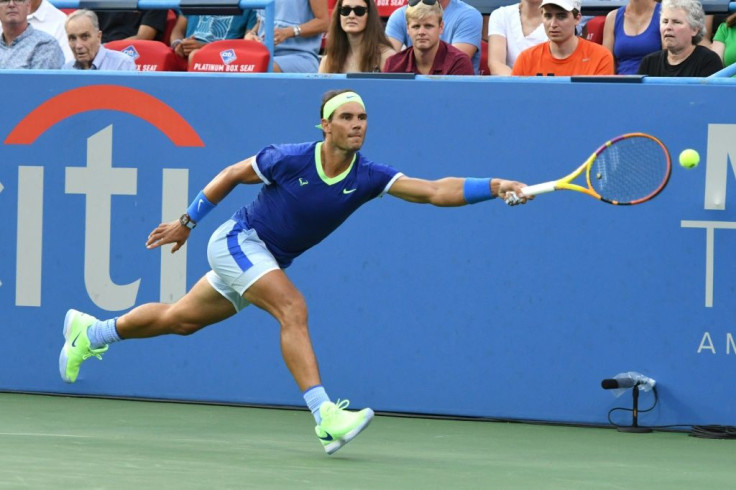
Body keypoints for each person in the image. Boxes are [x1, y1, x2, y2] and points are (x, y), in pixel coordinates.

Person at [58, 88, 531, 455]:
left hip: (266, 259)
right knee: (293, 308)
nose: (356, 125)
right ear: (325, 125)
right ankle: (325, 415)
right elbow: (229, 174)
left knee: (178, 321)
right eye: (347, 117)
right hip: (238, 242)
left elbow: (431, 191)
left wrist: (495, 185)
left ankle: (91, 332)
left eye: (362, 118)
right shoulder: (288, 158)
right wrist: (186, 223)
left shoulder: (367, 175)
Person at [511, 0, 614, 76]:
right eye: (548, 16)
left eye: (561, 16)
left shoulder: (600, 57)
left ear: (577, 18)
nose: (553, 24)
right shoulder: (526, 59)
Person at [386, 0, 482, 73]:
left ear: (441, 27)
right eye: (416, 26)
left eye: (428, 26)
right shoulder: (393, 63)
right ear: (408, 28)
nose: (421, 32)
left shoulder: (458, 61)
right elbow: (387, 55)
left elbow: (454, 60)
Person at [638, 0, 723, 76]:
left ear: (694, 29)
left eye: (676, 22)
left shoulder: (708, 61)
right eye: (665, 21)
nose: (668, 27)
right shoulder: (649, 62)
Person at [246, 0, 329, 72]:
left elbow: (324, 23)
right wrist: (252, 34)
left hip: (301, 56)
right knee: (238, 64)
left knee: (259, 67)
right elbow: (261, 20)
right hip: (264, 54)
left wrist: (288, 32)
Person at [318, 0, 395, 73]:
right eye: (345, 10)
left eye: (359, 11)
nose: (351, 16)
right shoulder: (328, 61)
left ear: (370, 16)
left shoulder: (386, 57)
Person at [170, 11, 258, 64]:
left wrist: (205, 48)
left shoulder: (251, 3)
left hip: (226, 58)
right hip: (185, 54)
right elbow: (178, 30)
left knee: (196, 55)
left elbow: (248, 45)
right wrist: (177, 43)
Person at [487, 0, 547, 75]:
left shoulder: (562, 20)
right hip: (510, 84)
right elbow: (496, 63)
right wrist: (518, 85)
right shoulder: (500, 15)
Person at [62, 9, 136, 71]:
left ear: (98, 36)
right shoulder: (66, 69)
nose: (78, 45)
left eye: (85, 37)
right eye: (72, 38)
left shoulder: (122, 64)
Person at [602, 0, 661, 74]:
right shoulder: (612, 17)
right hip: (622, 82)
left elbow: (668, 61)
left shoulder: (663, 14)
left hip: (652, 81)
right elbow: (607, 63)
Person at [0, 0, 63, 69]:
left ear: (28, 6)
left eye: (18, 0)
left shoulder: (45, 44)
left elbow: (38, 79)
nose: (11, 4)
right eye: (4, 0)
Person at [94, 9, 168, 44]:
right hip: (99, 48)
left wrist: (107, 48)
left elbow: (142, 38)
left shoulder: (154, 2)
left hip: (133, 52)